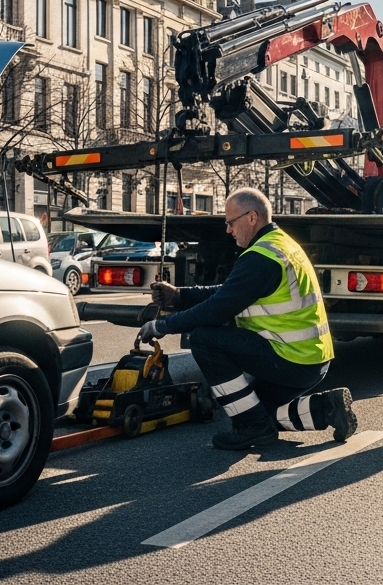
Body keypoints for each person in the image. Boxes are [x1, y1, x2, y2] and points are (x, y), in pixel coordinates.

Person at [138, 188, 357, 450]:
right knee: (260, 410)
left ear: (252, 217)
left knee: (204, 339)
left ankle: (251, 429)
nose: (228, 230)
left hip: (292, 358)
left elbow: (217, 309)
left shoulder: (260, 258)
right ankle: (328, 408)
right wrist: (180, 296)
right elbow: (229, 292)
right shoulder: (279, 244)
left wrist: (162, 325)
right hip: (310, 359)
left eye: (231, 222)